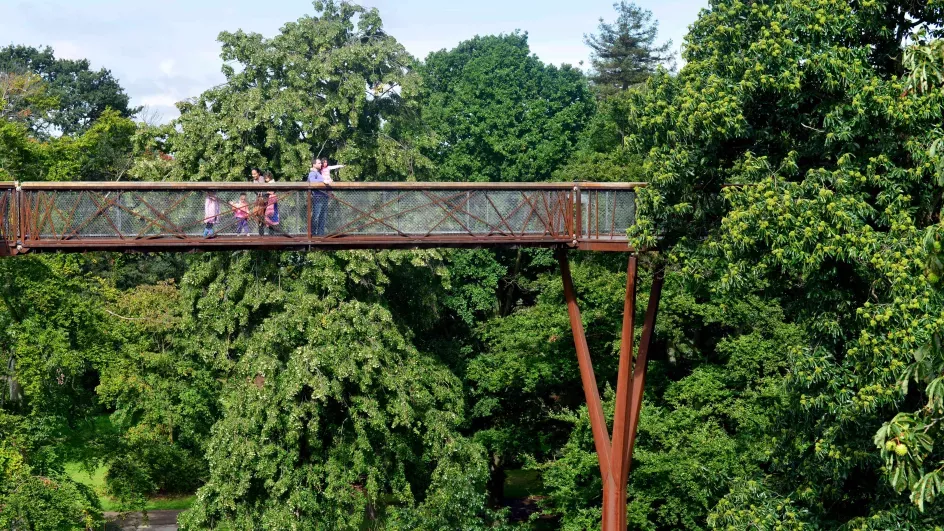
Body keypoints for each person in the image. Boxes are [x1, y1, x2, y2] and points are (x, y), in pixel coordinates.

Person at [307, 158, 329, 236]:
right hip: (318, 197)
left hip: (324, 197)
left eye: (320, 163)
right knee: (316, 216)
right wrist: (322, 181)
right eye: (319, 163)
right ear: (314, 164)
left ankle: (320, 234)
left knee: (323, 217)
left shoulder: (319, 173)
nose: (321, 164)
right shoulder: (312, 173)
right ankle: (312, 234)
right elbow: (312, 181)